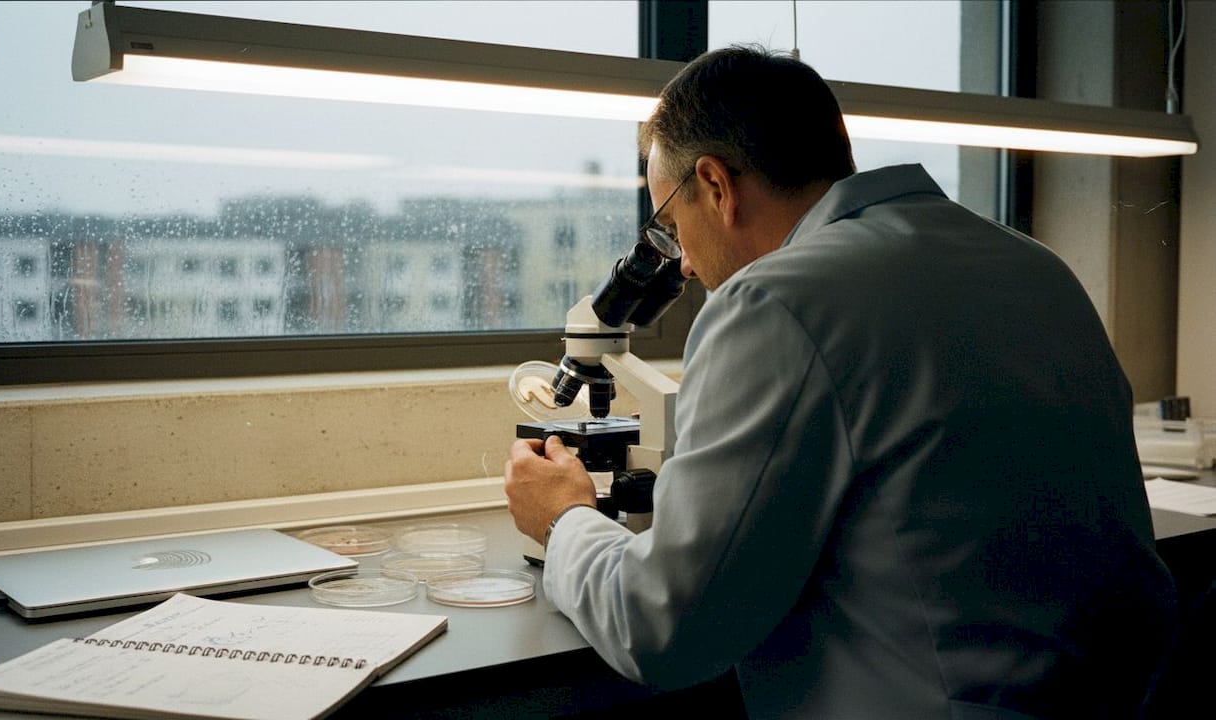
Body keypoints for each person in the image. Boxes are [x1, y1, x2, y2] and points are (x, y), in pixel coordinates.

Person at [504, 46, 1177, 719]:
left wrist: (564, 519)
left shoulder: (773, 302)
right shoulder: (1034, 266)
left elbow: (665, 628)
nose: (680, 265)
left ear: (716, 185)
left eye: (673, 226)